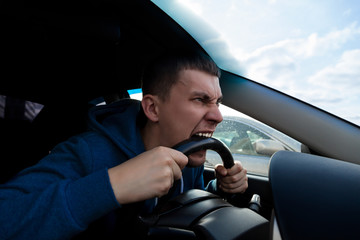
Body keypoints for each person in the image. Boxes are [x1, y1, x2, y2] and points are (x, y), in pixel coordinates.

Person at [0, 49, 248, 239]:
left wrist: (221, 188)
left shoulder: (189, 154)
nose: (218, 116)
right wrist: (114, 184)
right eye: (200, 99)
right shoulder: (89, 152)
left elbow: (182, 210)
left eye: (217, 102)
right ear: (152, 108)